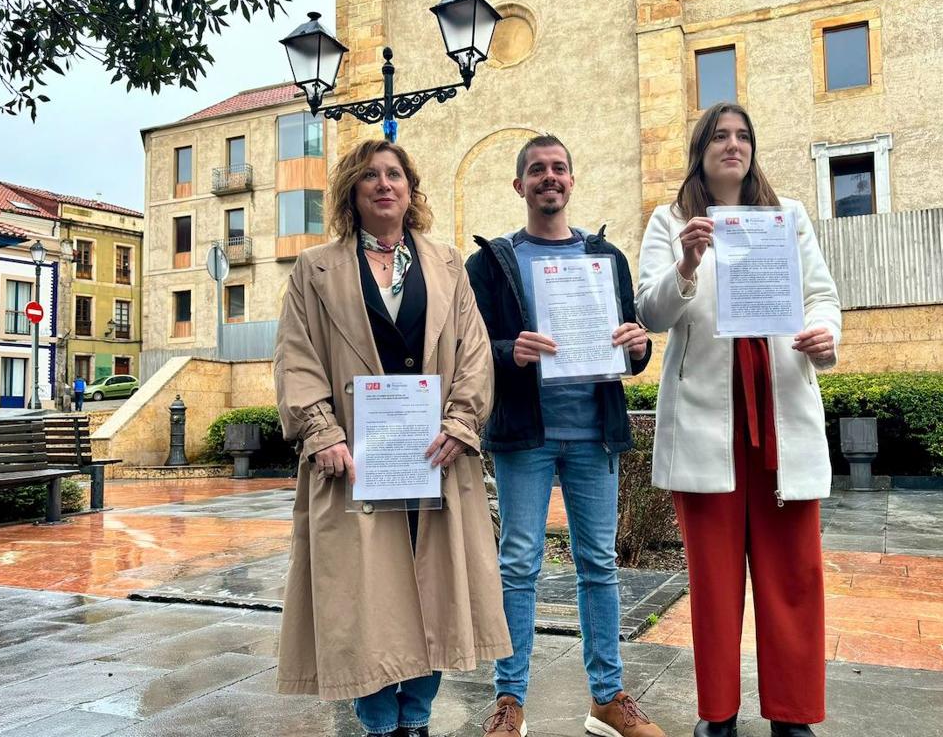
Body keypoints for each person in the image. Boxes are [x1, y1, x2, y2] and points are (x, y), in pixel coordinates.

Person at [273, 138, 510, 737]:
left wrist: (461, 422)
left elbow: (475, 352)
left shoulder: (447, 264)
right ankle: (378, 723)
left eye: (395, 175)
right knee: (365, 598)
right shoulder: (315, 268)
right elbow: (296, 358)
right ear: (353, 191)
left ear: (411, 190)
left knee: (435, 590)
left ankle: (418, 719)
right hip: (353, 459)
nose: (384, 184)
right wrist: (320, 431)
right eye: (371, 175)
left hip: (434, 455)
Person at [635, 103, 841, 737]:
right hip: (708, 423)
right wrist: (686, 267)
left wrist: (824, 337)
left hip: (780, 414)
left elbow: (821, 298)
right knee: (714, 583)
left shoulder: (789, 218)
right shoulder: (669, 222)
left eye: (743, 135)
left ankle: (793, 714)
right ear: (700, 149)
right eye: (720, 136)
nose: (733, 144)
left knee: (794, 579)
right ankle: (717, 714)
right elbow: (649, 312)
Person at [466, 135, 665, 737]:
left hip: (594, 433)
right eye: (536, 170)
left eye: (558, 169)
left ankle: (608, 698)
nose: (548, 178)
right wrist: (510, 351)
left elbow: (632, 351)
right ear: (519, 185)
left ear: (572, 181)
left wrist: (639, 346)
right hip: (524, 435)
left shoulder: (607, 258)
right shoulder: (491, 262)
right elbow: (469, 349)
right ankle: (510, 703)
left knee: (599, 564)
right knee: (518, 563)